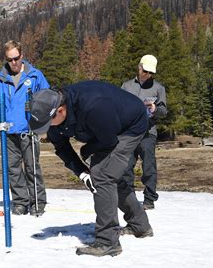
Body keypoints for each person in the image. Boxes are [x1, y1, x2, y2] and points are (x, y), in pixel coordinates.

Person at [28, 80, 154, 257]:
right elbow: (62, 148)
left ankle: (107, 241)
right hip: (108, 128)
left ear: (61, 111)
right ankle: (139, 225)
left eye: (48, 124)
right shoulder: (54, 114)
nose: (47, 131)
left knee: (102, 176)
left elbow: (109, 141)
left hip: (130, 126)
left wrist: (85, 151)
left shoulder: (93, 106)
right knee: (105, 176)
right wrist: (81, 172)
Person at [0, 40, 50, 216]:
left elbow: (47, 99)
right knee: (13, 170)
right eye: (9, 60)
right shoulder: (0, 80)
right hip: (8, 132)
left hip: (28, 131)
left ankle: (38, 202)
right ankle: (20, 202)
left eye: (16, 58)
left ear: (22, 56)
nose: (13, 63)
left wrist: (41, 123)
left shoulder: (35, 76)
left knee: (32, 167)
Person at [121, 55, 167, 210]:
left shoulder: (158, 88)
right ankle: (129, 198)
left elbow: (164, 110)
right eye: (145, 71)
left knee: (149, 166)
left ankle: (149, 199)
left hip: (148, 132)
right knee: (126, 167)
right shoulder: (126, 86)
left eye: (150, 73)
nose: (147, 75)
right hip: (128, 132)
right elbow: (118, 105)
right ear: (139, 67)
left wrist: (155, 109)